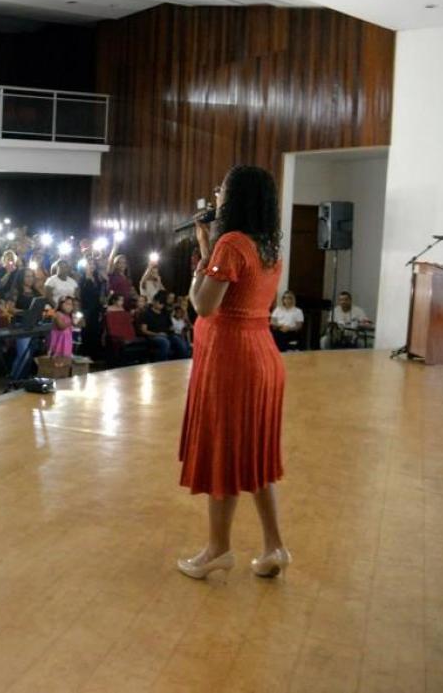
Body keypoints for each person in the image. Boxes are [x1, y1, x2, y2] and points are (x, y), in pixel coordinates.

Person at [177, 165, 289, 581]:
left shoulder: (232, 244)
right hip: (262, 356)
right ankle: (274, 546)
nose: (217, 196)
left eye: (221, 189)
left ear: (235, 196)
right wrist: (208, 251)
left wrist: (200, 267)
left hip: (232, 360)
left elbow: (203, 306)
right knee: (253, 455)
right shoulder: (268, 247)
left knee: (223, 452)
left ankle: (218, 549)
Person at [139, 290, 190, 360]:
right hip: (153, 336)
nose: (161, 305)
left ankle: (183, 361)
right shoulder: (146, 313)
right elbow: (144, 330)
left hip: (167, 334)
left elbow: (170, 326)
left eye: (163, 303)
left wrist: (173, 328)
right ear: (154, 301)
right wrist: (157, 334)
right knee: (165, 342)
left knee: (179, 341)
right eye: (159, 303)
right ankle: (162, 363)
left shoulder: (165, 313)